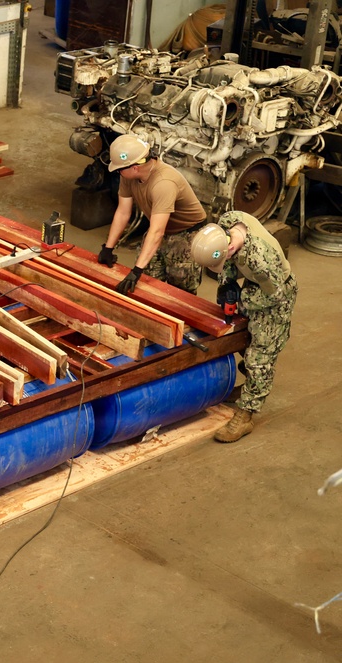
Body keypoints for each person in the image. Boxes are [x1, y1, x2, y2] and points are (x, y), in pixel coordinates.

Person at [190, 211, 297, 443]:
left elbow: (276, 294)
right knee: (244, 339)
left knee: (260, 357)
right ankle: (250, 385)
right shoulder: (228, 224)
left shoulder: (259, 260)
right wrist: (227, 283)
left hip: (275, 295)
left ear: (228, 248)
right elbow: (229, 261)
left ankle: (246, 414)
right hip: (256, 284)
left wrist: (241, 298)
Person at [96, 134, 209, 296]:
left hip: (187, 233)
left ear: (134, 167)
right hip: (160, 226)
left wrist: (136, 270)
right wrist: (108, 247)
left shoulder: (164, 183)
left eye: (119, 169)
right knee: (146, 280)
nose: (117, 172)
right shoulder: (128, 173)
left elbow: (157, 231)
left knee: (180, 289)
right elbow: (123, 212)